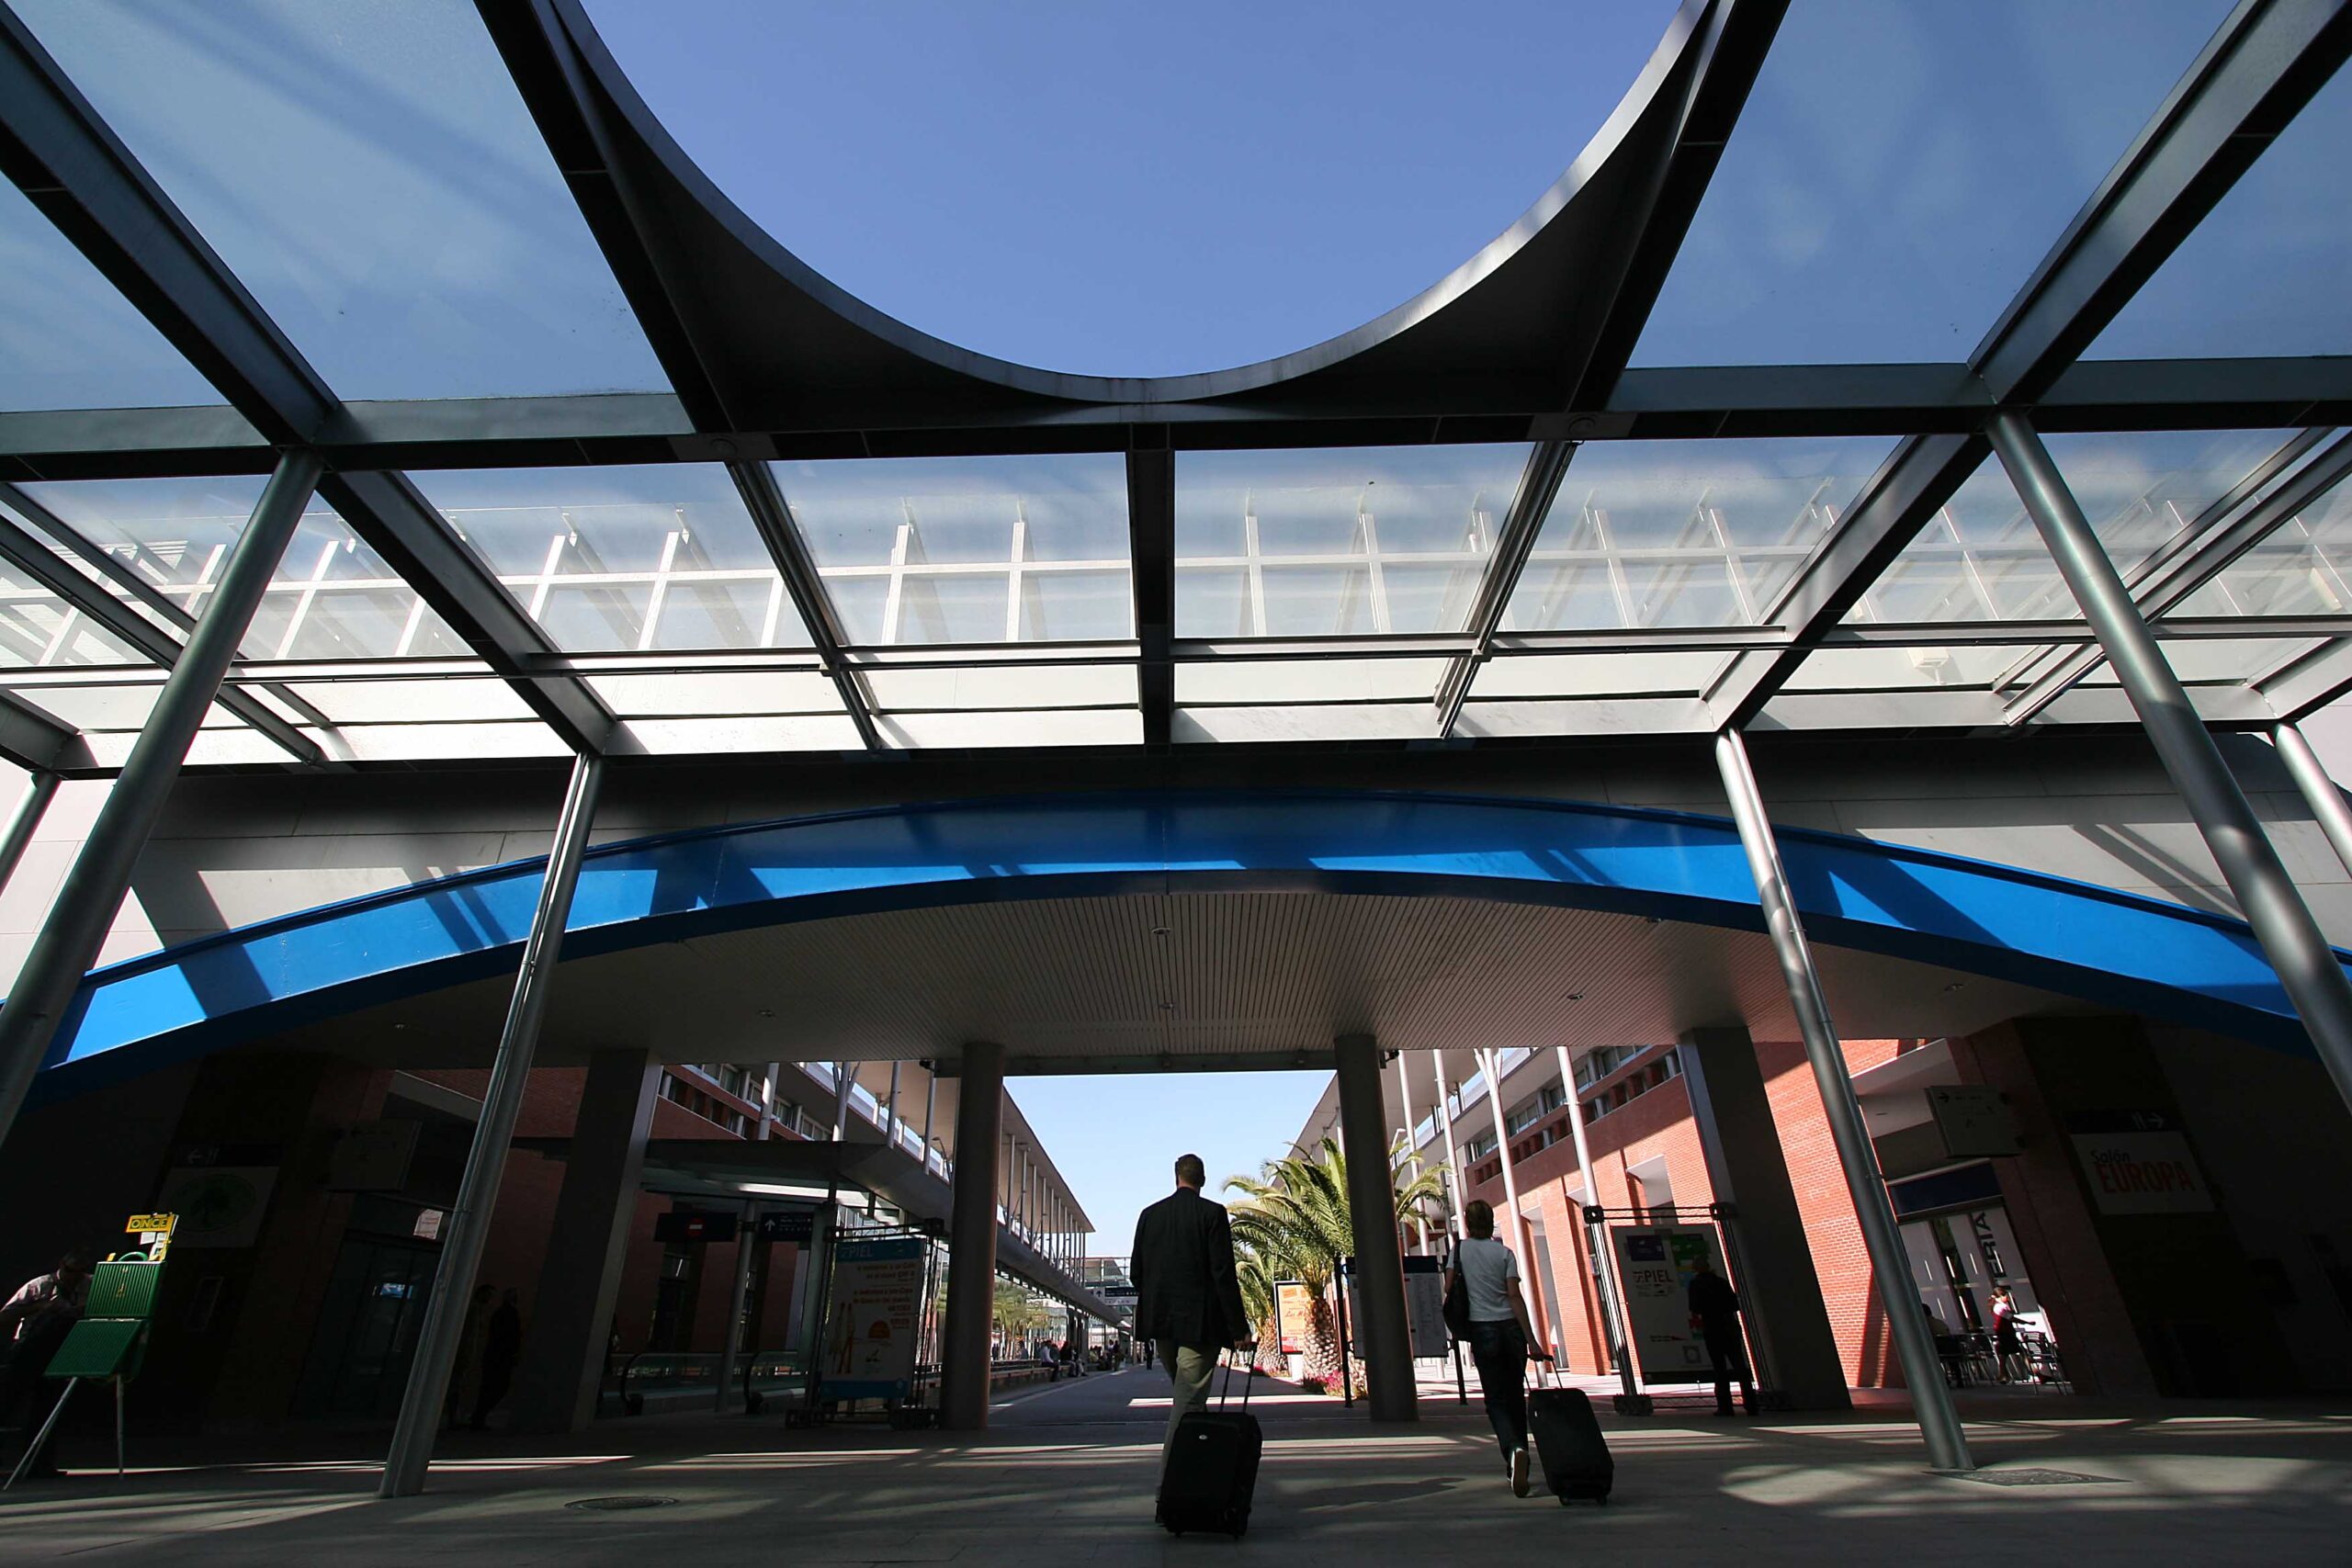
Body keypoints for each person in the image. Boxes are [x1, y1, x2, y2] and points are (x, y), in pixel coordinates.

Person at [1130, 1153, 1250, 1461]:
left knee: (1189, 1396)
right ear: (1203, 1180)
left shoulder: (1149, 1215)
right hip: (1200, 1325)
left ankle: (1204, 1467)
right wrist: (1238, 1327)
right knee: (1189, 1401)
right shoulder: (1212, 1214)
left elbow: (1136, 1273)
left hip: (1161, 1324)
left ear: (1176, 1177)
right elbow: (1223, 1274)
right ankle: (1171, 1480)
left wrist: (1158, 1298)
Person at [1453, 1199, 1550, 1496]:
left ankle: (1513, 1449)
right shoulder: (1504, 1252)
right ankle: (1520, 1458)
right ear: (1491, 1220)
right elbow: (1514, 1296)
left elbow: (1448, 1288)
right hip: (1511, 1330)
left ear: (1468, 1222)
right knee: (1515, 1397)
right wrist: (1531, 1340)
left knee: (1495, 1400)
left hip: (1483, 1330)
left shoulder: (1459, 1251)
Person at [0, 1250, 92, 1481]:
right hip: (28, 1350)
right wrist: (40, 1307)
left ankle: (39, 1463)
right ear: (61, 1266)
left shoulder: (89, 1286)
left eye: (79, 1273)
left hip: (60, 1351)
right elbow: (6, 1315)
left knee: (47, 1408)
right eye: (70, 1271)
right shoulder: (40, 1286)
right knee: (8, 1403)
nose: (74, 1277)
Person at [1686, 1255, 1753, 1416]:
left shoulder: (1696, 1284)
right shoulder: (1721, 1282)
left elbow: (1694, 1307)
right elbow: (1734, 1304)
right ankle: (1751, 1404)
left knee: (1719, 1367)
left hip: (1712, 1327)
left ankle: (1725, 1406)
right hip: (1729, 1326)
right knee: (1739, 1365)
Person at [469, 1288, 523, 1429]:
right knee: (497, 1387)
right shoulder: (509, 1314)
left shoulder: (500, 1313)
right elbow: (511, 1337)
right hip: (500, 1357)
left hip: (495, 1356)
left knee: (490, 1387)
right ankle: (479, 1415)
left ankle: (479, 1415)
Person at [446, 1282, 495, 1428]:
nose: (490, 1299)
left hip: (465, 1353)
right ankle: (452, 1417)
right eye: (488, 1295)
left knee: (458, 1385)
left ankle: (454, 1416)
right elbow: (468, 1334)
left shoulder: (476, 1310)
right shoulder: (472, 1310)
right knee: (456, 1385)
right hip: (462, 1353)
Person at [1989, 1285, 2025, 1383]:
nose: (2007, 1298)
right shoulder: (2000, 1307)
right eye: (2005, 1295)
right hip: (2006, 1334)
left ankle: (2003, 1376)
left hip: (2004, 1334)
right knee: (2020, 1352)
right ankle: (2003, 1376)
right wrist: (2026, 1322)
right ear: (1999, 1297)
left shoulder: (1999, 1306)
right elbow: (2009, 1317)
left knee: (2003, 1356)